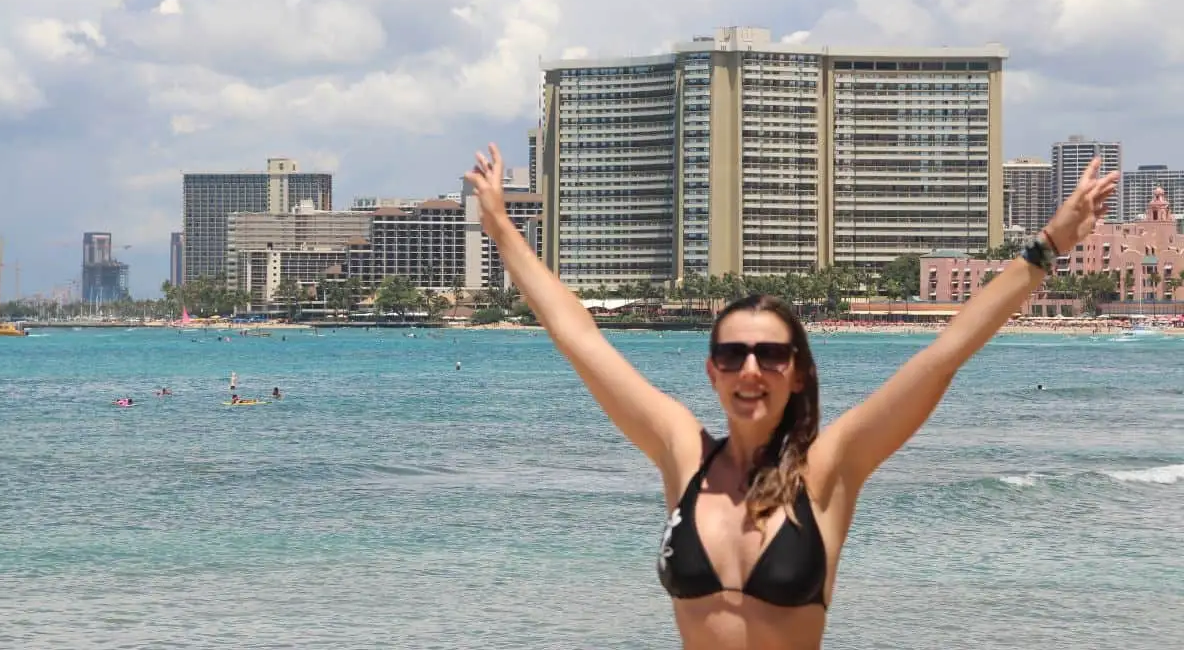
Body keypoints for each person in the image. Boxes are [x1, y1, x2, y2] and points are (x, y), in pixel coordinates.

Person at [465, 144, 1118, 650]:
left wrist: (1048, 245)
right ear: (712, 371)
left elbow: (943, 355)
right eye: (732, 354)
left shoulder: (829, 469)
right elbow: (580, 338)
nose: (752, 368)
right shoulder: (681, 454)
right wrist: (500, 228)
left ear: (797, 372)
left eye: (771, 354)